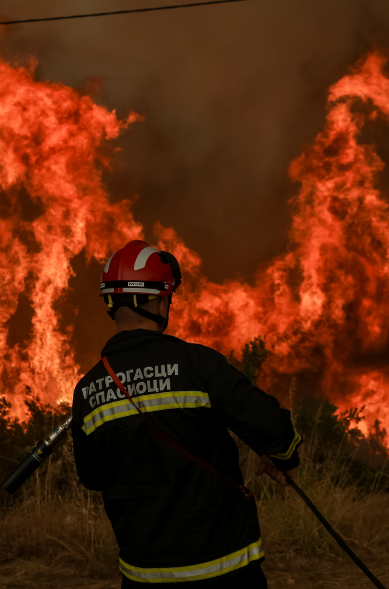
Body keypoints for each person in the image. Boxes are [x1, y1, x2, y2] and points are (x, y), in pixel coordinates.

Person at [71, 240, 301, 588]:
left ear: (111, 304)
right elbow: (272, 426)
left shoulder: (88, 390)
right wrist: (282, 456)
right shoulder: (197, 364)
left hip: (145, 575)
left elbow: (92, 477)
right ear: (161, 301)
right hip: (224, 569)